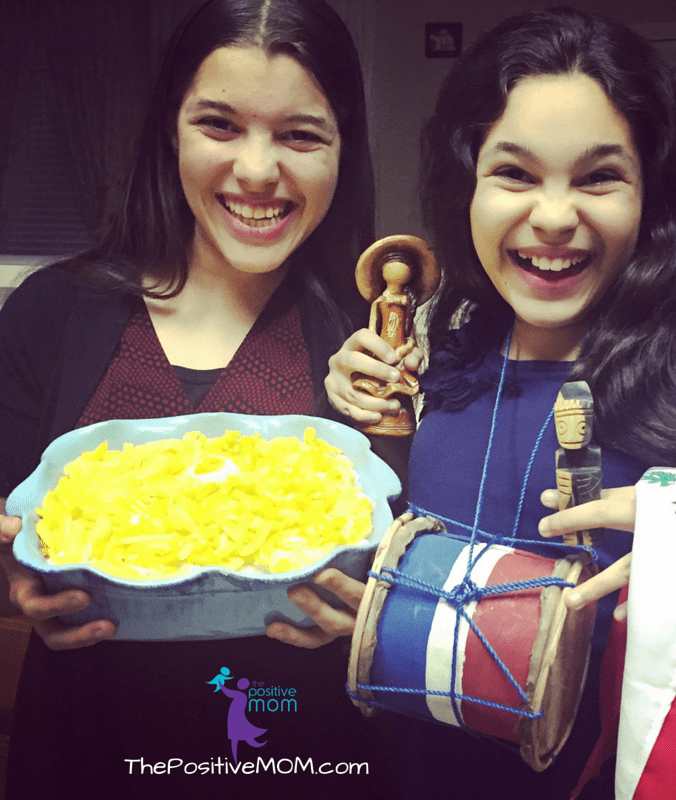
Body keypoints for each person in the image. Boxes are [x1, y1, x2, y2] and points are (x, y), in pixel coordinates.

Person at [325, 7, 676, 799]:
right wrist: (369, 426)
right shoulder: (448, 360)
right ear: (466, 186)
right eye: (514, 172)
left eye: (599, 176)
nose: (552, 216)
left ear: (653, 197)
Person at [0, 0, 386, 797]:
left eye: (300, 134)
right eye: (219, 124)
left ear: (344, 150)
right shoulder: (48, 313)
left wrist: (373, 624)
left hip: (294, 749)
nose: (255, 170)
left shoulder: (376, 348)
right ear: (168, 130)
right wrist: (12, 577)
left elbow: (411, 565)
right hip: (84, 747)